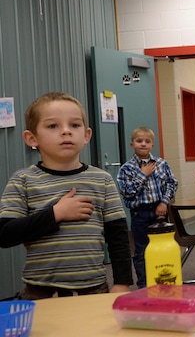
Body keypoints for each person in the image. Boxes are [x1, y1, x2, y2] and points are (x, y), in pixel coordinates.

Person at [0, 92, 133, 299]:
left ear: (87, 135)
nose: (66, 132)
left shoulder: (102, 180)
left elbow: (118, 236)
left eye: (74, 125)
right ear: (31, 138)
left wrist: (122, 282)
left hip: (93, 289)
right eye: (53, 126)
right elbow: (5, 234)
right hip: (40, 291)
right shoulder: (23, 180)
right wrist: (55, 214)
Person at [118, 126, 179, 288]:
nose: (143, 144)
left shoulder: (161, 163)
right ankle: (144, 285)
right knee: (142, 250)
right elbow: (127, 191)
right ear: (132, 145)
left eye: (147, 141)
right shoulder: (127, 169)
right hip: (140, 214)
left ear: (152, 145)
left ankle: (165, 281)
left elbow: (172, 184)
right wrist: (142, 174)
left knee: (163, 248)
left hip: (160, 211)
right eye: (139, 141)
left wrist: (164, 202)